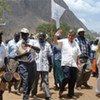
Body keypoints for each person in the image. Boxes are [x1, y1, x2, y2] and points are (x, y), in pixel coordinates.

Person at [12, 28, 40, 100]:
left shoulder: (34, 42)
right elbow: (15, 57)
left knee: (32, 80)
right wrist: (24, 54)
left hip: (32, 63)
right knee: (25, 80)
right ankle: (25, 97)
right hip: (23, 64)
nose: (23, 35)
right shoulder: (18, 44)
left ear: (28, 34)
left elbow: (38, 50)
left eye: (25, 34)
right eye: (22, 34)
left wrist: (29, 46)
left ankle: (27, 92)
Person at [54, 29, 81, 99]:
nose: (71, 37)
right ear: (67, 35)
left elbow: (78, 54)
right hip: (65, 63)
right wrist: (56, 36)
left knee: (73, 79)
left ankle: (70, 94)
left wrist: (78, 63)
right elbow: (56, 42)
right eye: (70, 35)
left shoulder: (76, 43)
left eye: (72, 36)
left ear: (74, 36)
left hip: (73, 64)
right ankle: (61, 89)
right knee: (66, 77)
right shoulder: (63, 41)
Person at [31, 32, 52, 100]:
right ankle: (33, 93)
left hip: (45, 65)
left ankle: (47, 95)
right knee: (35, 80)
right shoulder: (35, 44)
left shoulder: (47, 45)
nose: (40, 37)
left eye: (42, 36)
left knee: (45, 80)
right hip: (36, 65)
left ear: (44, 37)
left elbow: (49, 55)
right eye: (39, 36)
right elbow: (32, 55)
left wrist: (51, 64)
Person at [0, 31, 8, 100]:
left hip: (1, 69)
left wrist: (6, 67)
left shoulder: (4, 46)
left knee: (2, 88)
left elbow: (5, 57)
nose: (0, 39)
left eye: (1, 38)